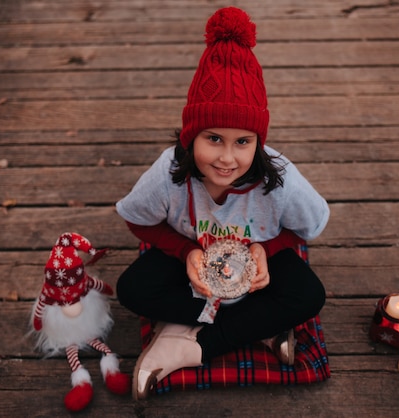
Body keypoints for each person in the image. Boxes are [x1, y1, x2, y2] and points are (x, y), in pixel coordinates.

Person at [115, 7, 330, 400]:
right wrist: (185, 252)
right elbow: (138, 221)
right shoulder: (168, 172)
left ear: (258, 143)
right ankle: (260, 327)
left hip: (254, 264)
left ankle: (194, 344)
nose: (227, 158)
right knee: (131, 290)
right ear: (190, 135)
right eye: (213, 138)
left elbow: (311, 225)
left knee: (309, 296)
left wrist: (268, 247)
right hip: (196, 257)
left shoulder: (279, 179)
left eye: (242, 142)